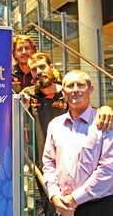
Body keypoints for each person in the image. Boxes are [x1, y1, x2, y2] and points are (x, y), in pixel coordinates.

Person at [42, 69, 113, 216]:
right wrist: (54, 195)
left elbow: (108, 169)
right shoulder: (55, 125)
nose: (75, 90)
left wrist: (74, 199)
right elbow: (49, 164)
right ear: (63, 91)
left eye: (80, 85)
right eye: (70, 86)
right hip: (61, 206)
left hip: (98, 207)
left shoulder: (105, 123)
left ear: (90, 89)